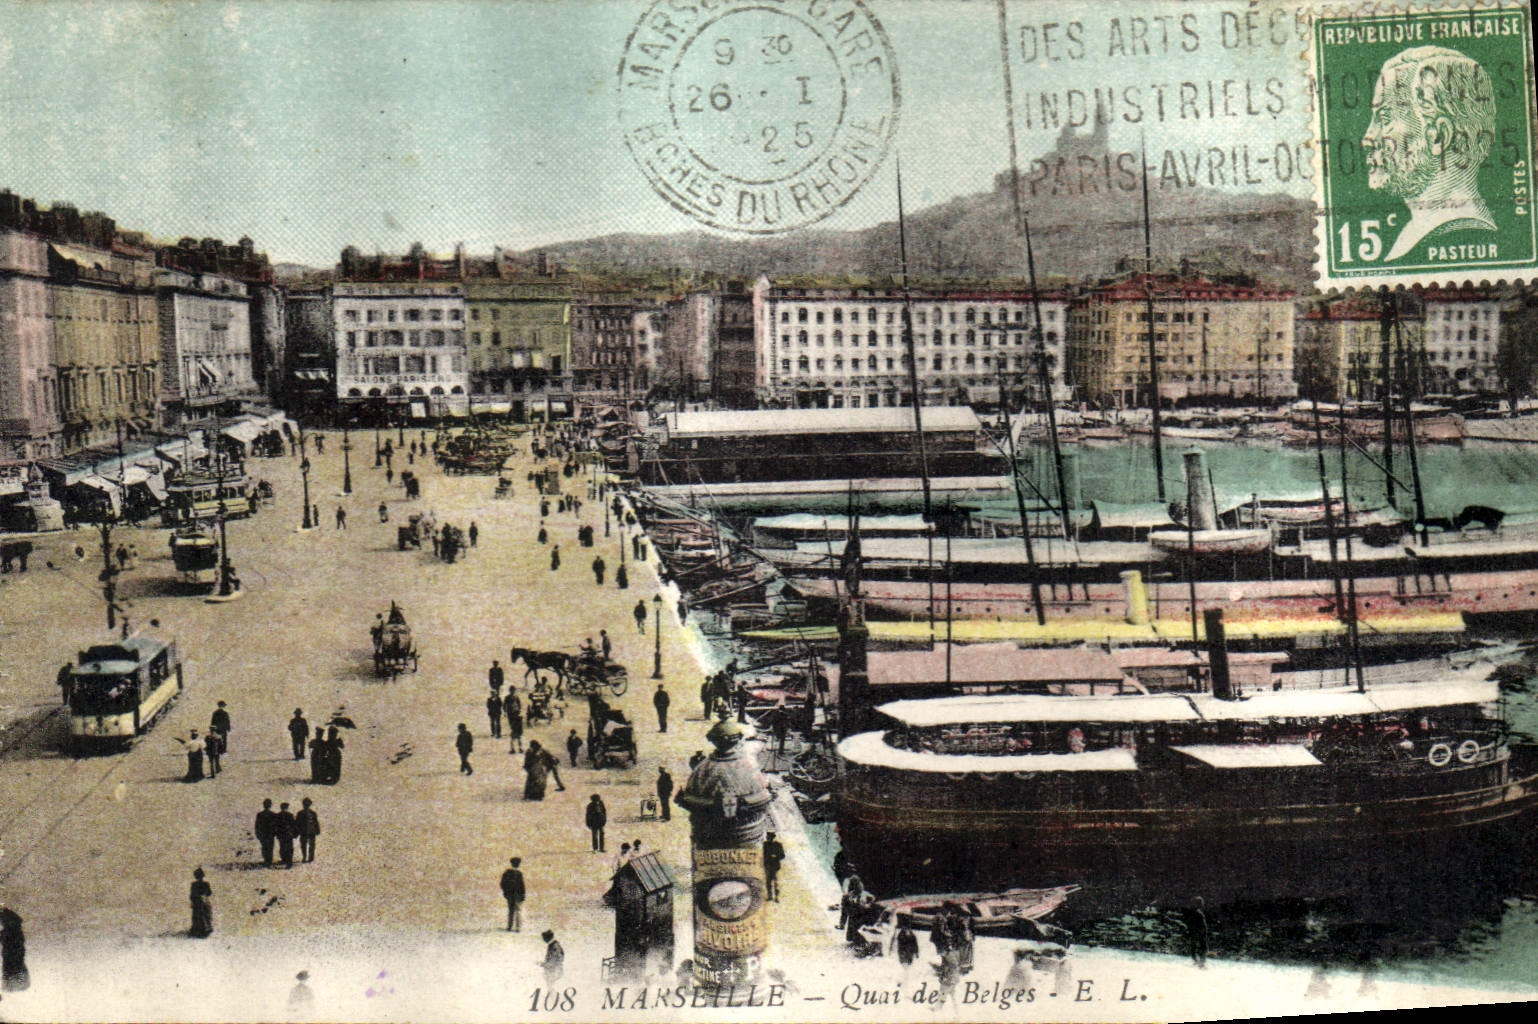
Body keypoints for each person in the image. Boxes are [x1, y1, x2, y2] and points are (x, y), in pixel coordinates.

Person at [1361, 46, 1498, 261]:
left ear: (1439, 136)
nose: (1367, 139)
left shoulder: (1456, 233)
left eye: (1385, 118)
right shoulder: (1414, 233)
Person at [0, 902, 27, 992]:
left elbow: (5, 937)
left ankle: (11, 986)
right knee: (16, 966)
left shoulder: (10, 929)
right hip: (15, 952)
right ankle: (18, 985)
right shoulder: (15, 928)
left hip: (11, 952)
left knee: (11, 967)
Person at [500, 857, 525, 932]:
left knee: (511, 910)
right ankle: (518, 927)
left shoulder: (507, 873)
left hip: (510, 895)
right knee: (518, 911)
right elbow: (522, 886)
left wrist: (506, 892)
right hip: (518, 895)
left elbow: (502, 884)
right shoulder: (519, 874)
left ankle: (510, 926)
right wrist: (523, 895)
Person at [1183, 897, 1209, 968]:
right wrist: (1202, 933)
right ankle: (1201, 963)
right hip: (1199, 933)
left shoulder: (1192, 912)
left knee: (1194, 947)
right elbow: (1201, 925)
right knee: (1203, 948)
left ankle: (1197, 962)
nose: (1202, 904)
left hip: (1194, 933)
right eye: (1201, 903)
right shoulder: (1198, 913)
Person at [188, 868, 213, 938]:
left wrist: (193, 901)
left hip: (197, 902)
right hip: (204, 901)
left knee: (197, 915)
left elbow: (192, 895)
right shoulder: (206, 884)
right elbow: (209, 893)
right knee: (206, 915)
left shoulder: (194, 884)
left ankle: (197, 929)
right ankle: (206, 928)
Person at [254, 798, 279, 866]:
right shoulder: (273, 814)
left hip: (264, 834)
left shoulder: (260, 814)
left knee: (264, 847)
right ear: (270, 805)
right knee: (270, 847)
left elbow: (257, 825)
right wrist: (275, 833)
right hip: (270, 834)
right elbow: (276, 825)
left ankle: (266, 860)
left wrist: (258, 833)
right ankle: (269, 860)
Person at [762, 831, 785, 901]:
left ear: (773, 838)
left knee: (776, 882)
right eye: (767, 837)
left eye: (769, 838)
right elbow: (764, 855)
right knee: (768, 882)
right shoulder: (765, 844)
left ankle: (776, 897)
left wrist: (776, 856)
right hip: (768, 866)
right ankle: (770, 896)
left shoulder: (778, 845)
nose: (768, 839)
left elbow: (782, 856)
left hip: (775, 866)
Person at [296, 797, 320, 863]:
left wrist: (317, 830)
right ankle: (304, 857)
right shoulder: (300, 813)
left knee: (312, 845)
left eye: (308, 804)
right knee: (303, 845)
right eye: (305, 804)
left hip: (311, 831)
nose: (306, 805)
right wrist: (297, 831)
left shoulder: (313, 813)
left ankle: (311, 858)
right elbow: (297, 823)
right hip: (303, 831)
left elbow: (316, 822)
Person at [276, 802, 298, 869]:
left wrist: (277, 834)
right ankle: (288, 862)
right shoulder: (289, 815)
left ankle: (285, 860)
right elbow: (294, 825)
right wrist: (295, 834)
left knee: (283, 847)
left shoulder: (278, 815)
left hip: (283, 835)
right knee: (288, 848)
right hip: (287, 834)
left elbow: (276, 826)